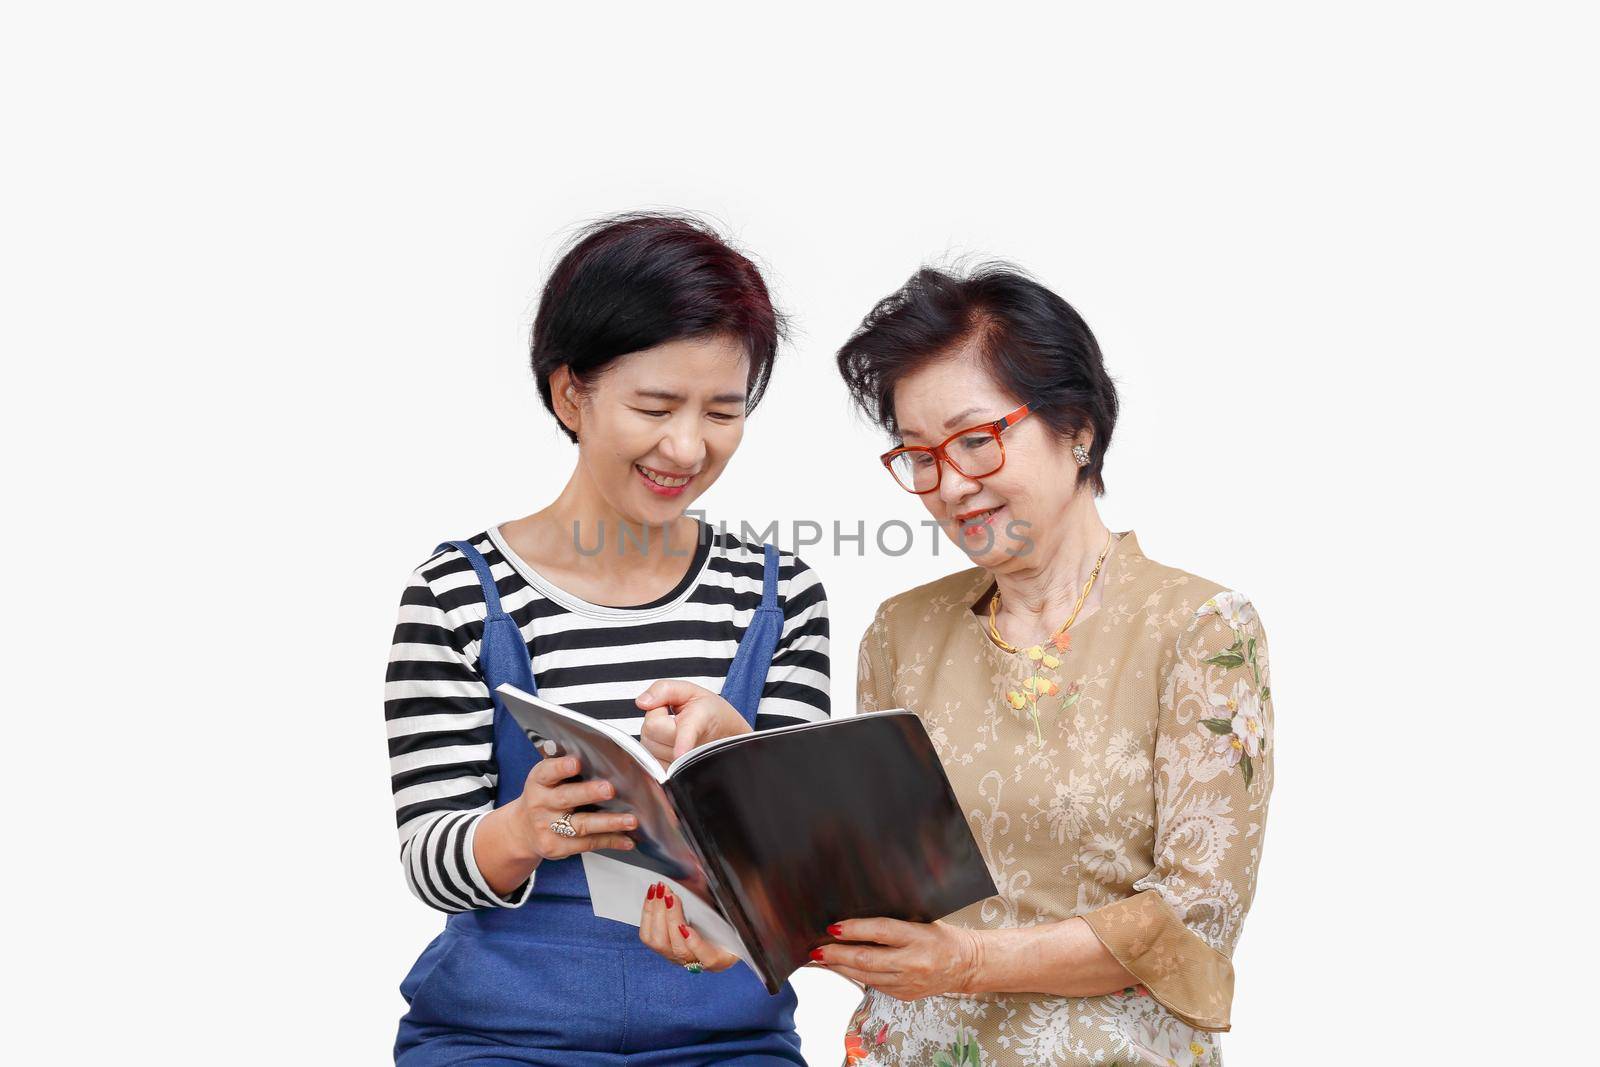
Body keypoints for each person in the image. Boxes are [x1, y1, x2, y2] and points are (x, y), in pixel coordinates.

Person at [385, 213, 830, 1065]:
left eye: (723, 411)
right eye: (654, 406)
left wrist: (741, 757)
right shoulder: (456, 595)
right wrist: (522, 829)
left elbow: (802, 883)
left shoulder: (778, 595)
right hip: (498, 1036)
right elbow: (426, 857)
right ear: (570, 394)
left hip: (727, 1038)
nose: (687, 446)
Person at [820, 265, 1273, 1066]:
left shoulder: (1197, 628)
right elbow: (879, 888)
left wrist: (968, 962)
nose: (952, 486)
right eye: (920, 456)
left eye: (976, 440)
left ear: (1078, 427)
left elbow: (1195, 913)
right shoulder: (901, 632)